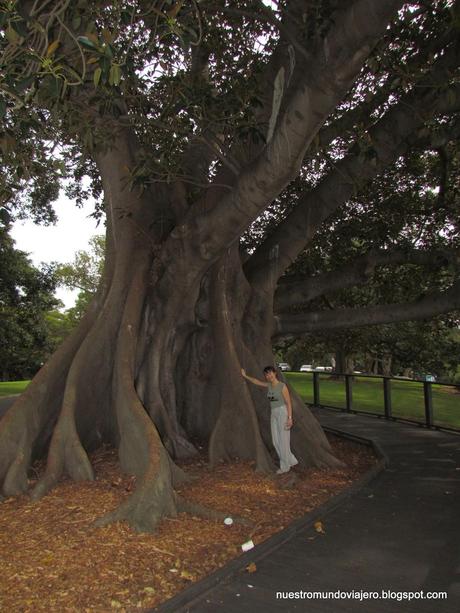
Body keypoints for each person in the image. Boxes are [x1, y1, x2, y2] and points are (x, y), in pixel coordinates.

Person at [241, 366, 298, 474]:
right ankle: (290, 460)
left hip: (282, 412)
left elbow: (288, 403)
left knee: (284, 441)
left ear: (275, 373)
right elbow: (256, 381)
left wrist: (290, 418)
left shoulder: (282, 386)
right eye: (267, 374)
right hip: (274, 413)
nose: (269, 376)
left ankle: (285, 466)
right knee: (276, 441)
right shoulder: (269, 385)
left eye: (270, 373)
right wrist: (245, 376)